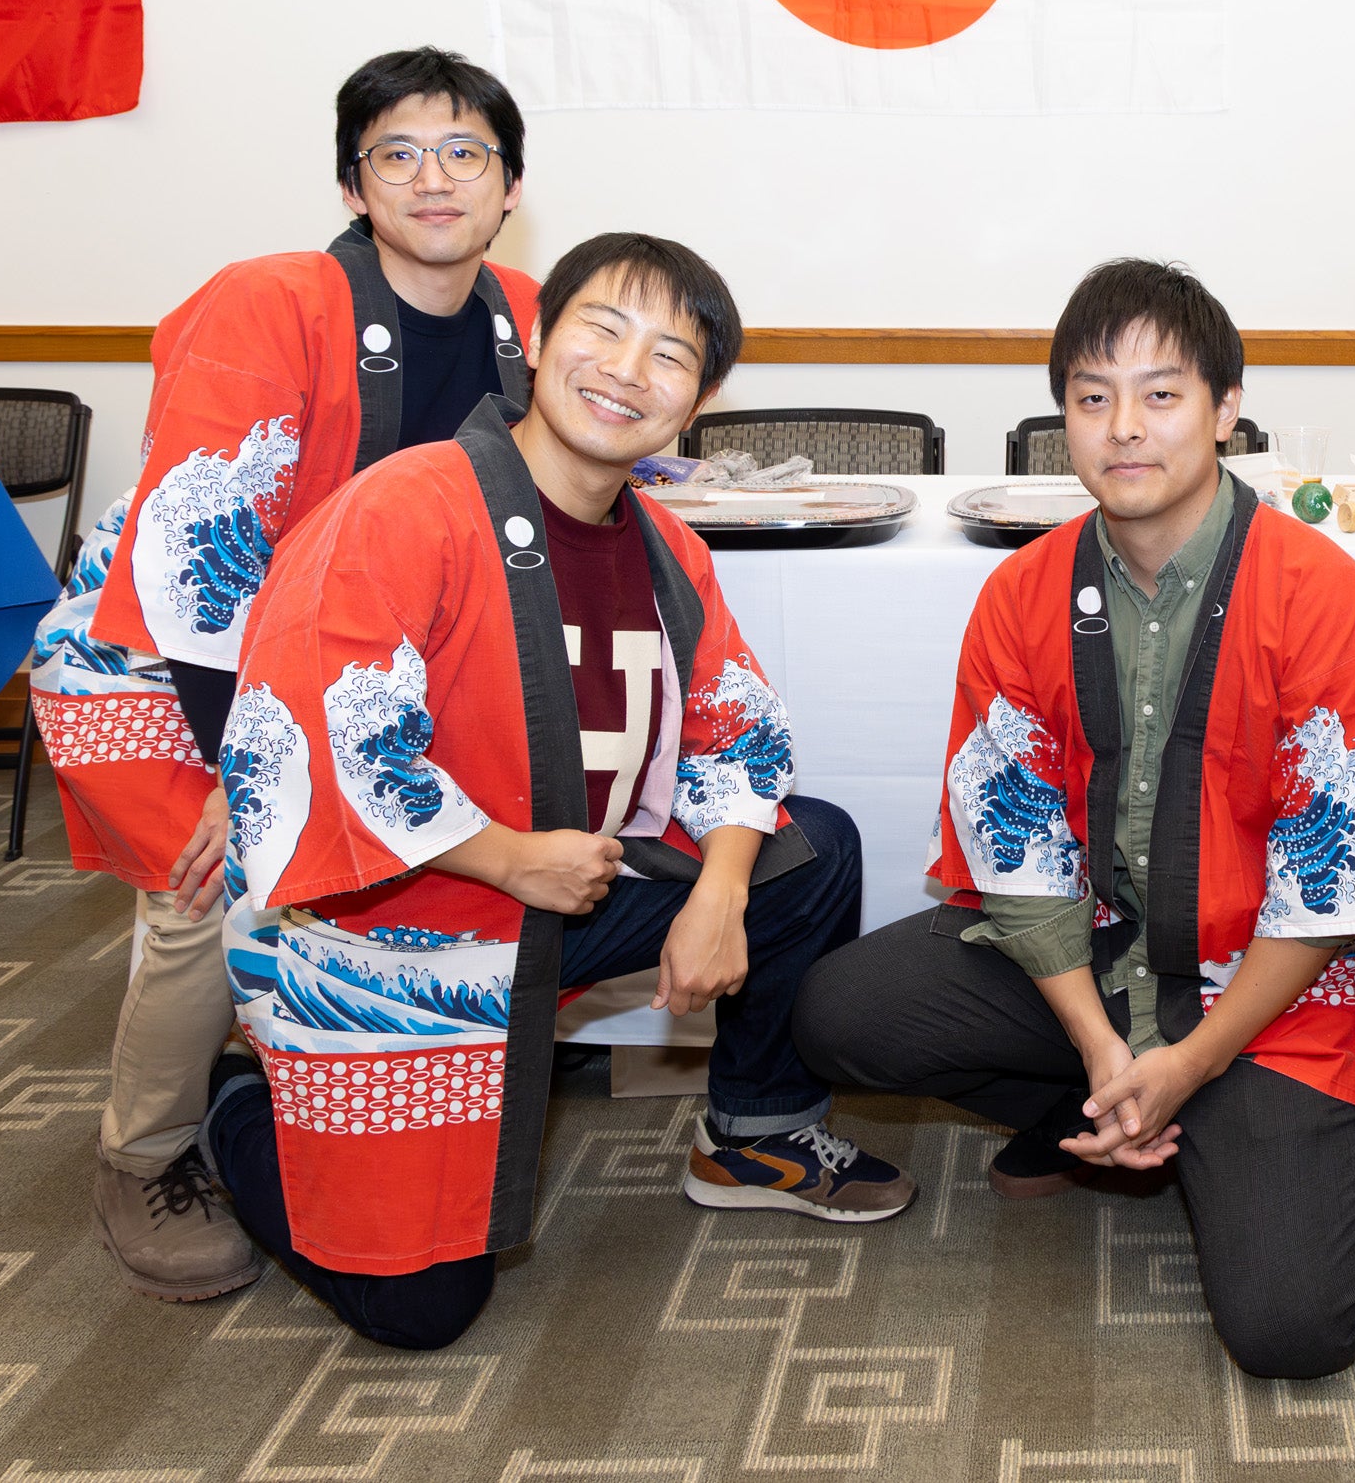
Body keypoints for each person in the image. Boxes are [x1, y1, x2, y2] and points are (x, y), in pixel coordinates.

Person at [202, 232, 910, 1350]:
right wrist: (502, 853)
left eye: (671, 355)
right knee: (422, 1308)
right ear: (535, 340)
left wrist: (721, 891)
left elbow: (740, 735)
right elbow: (324, 738)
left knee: (805, 848)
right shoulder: (405, 505)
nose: (630, 369)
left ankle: (755, 1132)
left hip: (566, 887)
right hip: (393, 924)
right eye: (603, 327)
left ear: (698, 403)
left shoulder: (669, 544)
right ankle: (245, 1102)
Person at [794, 259, 1355, 1379]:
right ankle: (1097, 1101)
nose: (1124, 428)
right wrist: (1105, 1047)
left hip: (1270, 978)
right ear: (1064, 420)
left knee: (1292, 1326)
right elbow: (1013, 839)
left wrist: (1189, 1059)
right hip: (1105, 948)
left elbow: (1330, 880)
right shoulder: (1024, 589)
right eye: (1092, 398)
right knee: (842, 1010)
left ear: (1225, 410)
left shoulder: (1319, 594)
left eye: (1161, 393)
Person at [27, 46, 545, 1302]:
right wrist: (239, 772)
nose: (435, 178)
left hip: (346, 655)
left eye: (465, 151)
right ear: (352, 182)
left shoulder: (523, 313)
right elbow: (193, 558)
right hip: (155, 655)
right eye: (398, 153)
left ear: (510, 181)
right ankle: (141, 1152)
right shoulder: (270, 302)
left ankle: (305, 1055)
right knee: (212, 887)